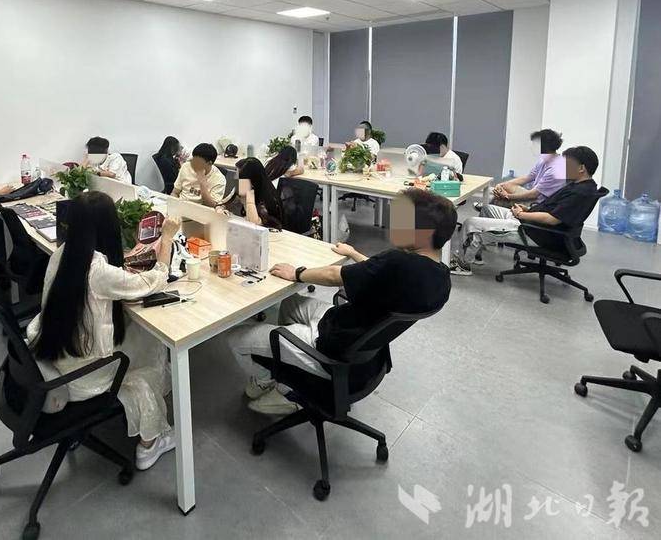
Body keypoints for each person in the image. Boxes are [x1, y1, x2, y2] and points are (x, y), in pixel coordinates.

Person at [227, 188, 456, 415]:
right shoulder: (440, 278)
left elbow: (333, 276)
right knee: (290, 302)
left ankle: (282, 388)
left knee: (235, 337)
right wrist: (353, 253)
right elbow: (378, 270)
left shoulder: (398, 261)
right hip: (360, 344)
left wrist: (296, 273)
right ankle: (289, 371)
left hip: (330, 347)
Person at [26, 191, 181, 470]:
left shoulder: (63, 253)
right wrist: (167, 237)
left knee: (135, 333)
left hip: (59, 355)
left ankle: (155, 402)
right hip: (83, 375)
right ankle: (150, 441)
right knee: (151, 341)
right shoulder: (97, 271)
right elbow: (154, 281)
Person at [451, 146, 599, 276]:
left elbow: (552, 219)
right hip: (531, 222)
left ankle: (463, 264)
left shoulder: (580, 192)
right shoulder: (578, 186)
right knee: (488, 209)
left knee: (471, 223)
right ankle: (475, 254)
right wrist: (527, 209)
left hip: (534, 232)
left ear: (581, 168)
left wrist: (523, 214)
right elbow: (552, 208)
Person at [489, 129, 565, 208]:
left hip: (539, 204)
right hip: (534, 196)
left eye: (534, 144)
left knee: (500, 197)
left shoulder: (556, 169)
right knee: (503, 188)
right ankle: (489, 206)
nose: (531, 147)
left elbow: (533, 194)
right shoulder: (544, 160)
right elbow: (528, 177)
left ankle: (488, 208)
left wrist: (507, 196)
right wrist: (501, 185)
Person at [217, 157, 283, 230]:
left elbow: (255, 224)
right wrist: (221, 210)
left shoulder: (268, 198)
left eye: (240, 178)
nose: (236, 180)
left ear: (253, 180)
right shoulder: (241, 186)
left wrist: (248, 196)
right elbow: (221, 203)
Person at [172, 143, 227, 207]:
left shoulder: (219, 179)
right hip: (181, 205)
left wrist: (202, 182)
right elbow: (175, 192)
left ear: (209, 163)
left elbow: (212, 205)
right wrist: (173, 204)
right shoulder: (186, 166)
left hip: (201, 209)